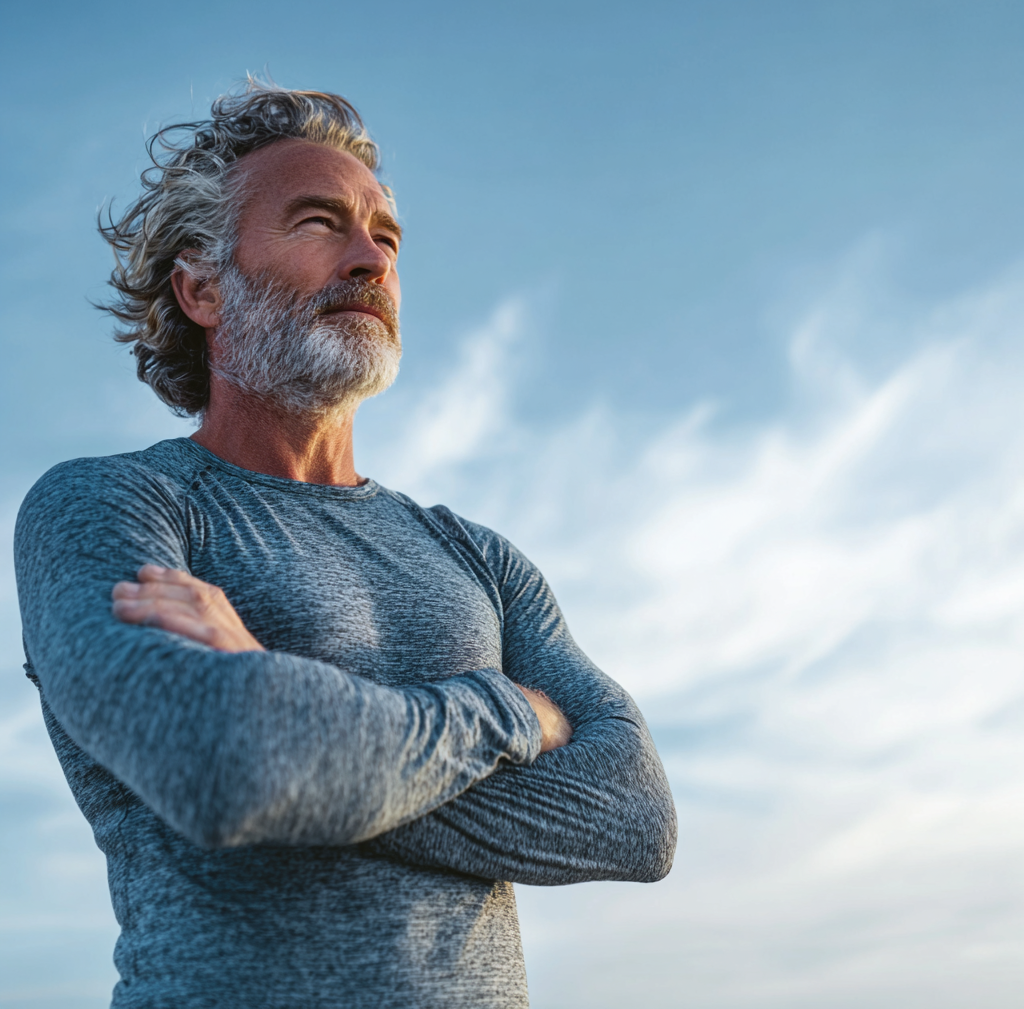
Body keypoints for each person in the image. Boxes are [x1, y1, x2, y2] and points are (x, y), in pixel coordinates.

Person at [14, 80, 676, 1009]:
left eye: (388, 237)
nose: (370, 258)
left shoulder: (475, 556)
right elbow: (227, 768)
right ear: (202, 288)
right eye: (320, 223)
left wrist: (291, 709)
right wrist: (510, 714)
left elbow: (632, 822)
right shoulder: (109, 505)